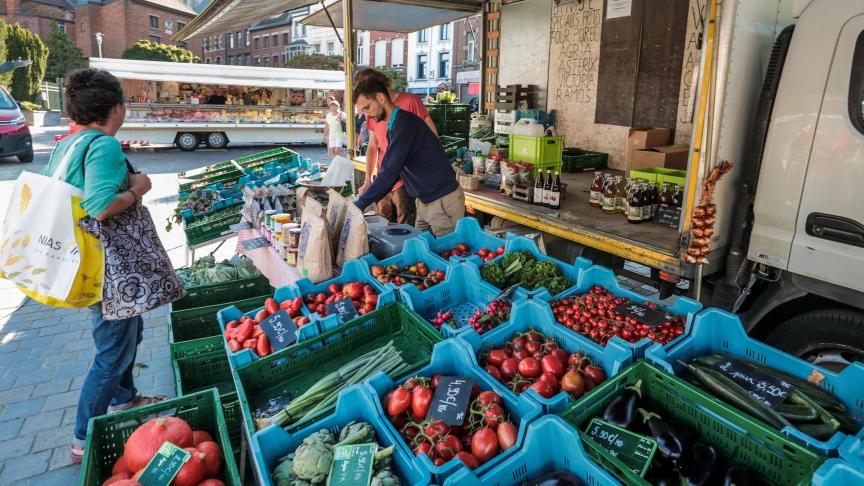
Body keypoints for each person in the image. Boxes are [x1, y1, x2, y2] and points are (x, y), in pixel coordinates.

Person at [44, 69, 162, 462]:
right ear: (116, 108)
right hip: (109, 268)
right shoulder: (104, 146)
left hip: (85, 261)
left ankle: (125, 399)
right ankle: (83, 438)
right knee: (111, 350)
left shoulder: (69, 144)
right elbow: (100, 207)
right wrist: (137, 189)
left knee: (130, 330)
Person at [353, 77, 463, 236]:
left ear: (381, 98)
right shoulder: (394, 125)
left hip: (442, 200)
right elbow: (390, 169)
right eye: (363, 111)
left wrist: (360, 204)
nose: (367, 116)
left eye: (367, 108)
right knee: (419, 250)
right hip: (424, 200)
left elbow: (390, 171)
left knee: (447, 253)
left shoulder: (405, 124)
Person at [355, 68, 438, 225]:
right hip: (383, 179)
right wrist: (368, 179)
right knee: (383, 229)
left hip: (406, 181)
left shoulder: (410, 102)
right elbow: (373, 146)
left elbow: (432, 136)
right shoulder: (372, 110)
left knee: (405, 228)